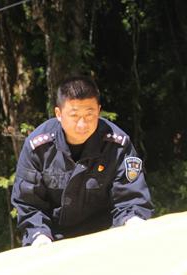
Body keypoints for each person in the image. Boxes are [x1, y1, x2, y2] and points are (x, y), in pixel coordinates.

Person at [11, 75, 153, 246]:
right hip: (55, 239)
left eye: (89, 115)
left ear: (99, 111)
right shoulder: (38, 148)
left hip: (107, 235)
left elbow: (131, 198)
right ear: (58, 114)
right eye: (74, 115)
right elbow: (29, 204)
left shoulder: (117, 145)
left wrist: (132, 220)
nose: (82, 124)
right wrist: (39, 234)